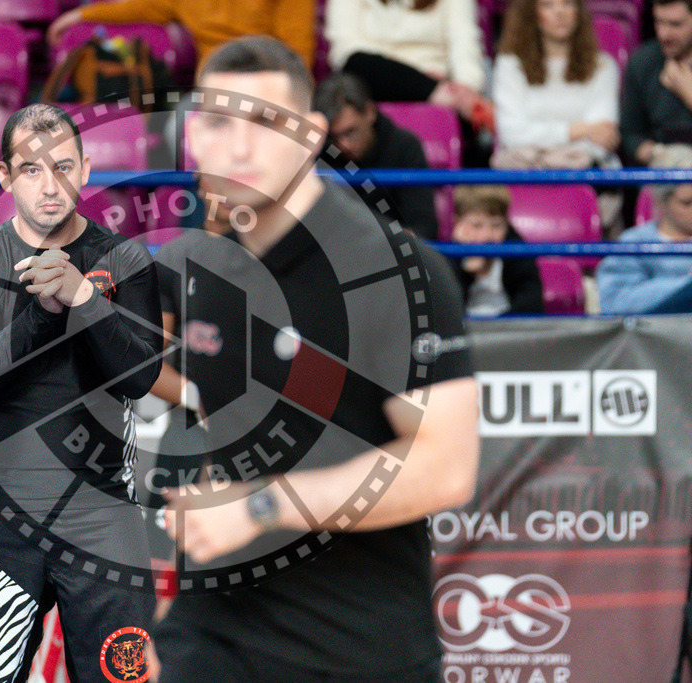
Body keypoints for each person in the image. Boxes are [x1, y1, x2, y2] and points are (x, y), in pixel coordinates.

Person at [147, 36, 480, 682]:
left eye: (264, 122)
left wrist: (261, 507)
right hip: (212, 637)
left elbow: (445, 466)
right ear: (193, 138)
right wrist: (160, 613)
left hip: (356, 647)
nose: (239, 148)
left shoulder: (394, 270)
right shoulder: (196, 269)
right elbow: (214, 440)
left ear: (311, 134)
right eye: (218, 123)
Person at [0, 103, 163, 682]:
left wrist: (85, 300)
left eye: (62, 167)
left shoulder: (126, 259)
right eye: (31, 170)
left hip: (104, 511)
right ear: (5, 177)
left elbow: (140, 377)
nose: (50, 185)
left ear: (85, 170)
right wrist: (43, 313)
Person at [325, 0, 493, 132]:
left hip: (440, 88)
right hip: (374, 83)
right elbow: (345, 51)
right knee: (356, 64)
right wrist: (421, 82)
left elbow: (465, 45)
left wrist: (464, 88)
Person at [492, 0, 620, 170]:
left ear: (578, 10)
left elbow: (603, 139)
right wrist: (577, 131)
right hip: (524, 171)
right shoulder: (510, 65)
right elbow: (511, 134)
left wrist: (538, 146)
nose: (560, 12)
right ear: (531, 13)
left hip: (586, 173)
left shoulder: (603, 66)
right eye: (547, 5)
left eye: (567, 3)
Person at [313, 72, 440, 240]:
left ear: (370, 112)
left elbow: (423, 227)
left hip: (393, 252)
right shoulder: (317, 152)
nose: (344, 145)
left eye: (350, 132)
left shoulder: (405, 147)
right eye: (333, 137)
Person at [47, 0, 316, 72]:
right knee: (173, 130)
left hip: (269, 85)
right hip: (213, 89)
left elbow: (298, 55)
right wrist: (79, 15)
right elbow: (140, 7)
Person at [597, 180, 692, 313]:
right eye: (687, 203)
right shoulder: (635, 242)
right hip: (654, 325)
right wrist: (685, 286)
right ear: (662, 202)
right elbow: (613, 302)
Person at [450, 185, 544, 315]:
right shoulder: (449, 254)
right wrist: (467, 273)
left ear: (506, 224)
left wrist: (501, 323)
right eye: (476, 225)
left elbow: (532, 304)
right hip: (464, 327)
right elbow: (445, 310)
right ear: (457, 223)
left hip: (508, 326)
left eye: (496, 225)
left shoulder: (517, 249)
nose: (487, 236)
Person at [620, 0, 692, 165]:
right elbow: (629, 135)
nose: (663, 35)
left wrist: (689, 93)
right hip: (660, 166)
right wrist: (658, 154)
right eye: (658, 22)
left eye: (675, 24)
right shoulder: (642, 60)